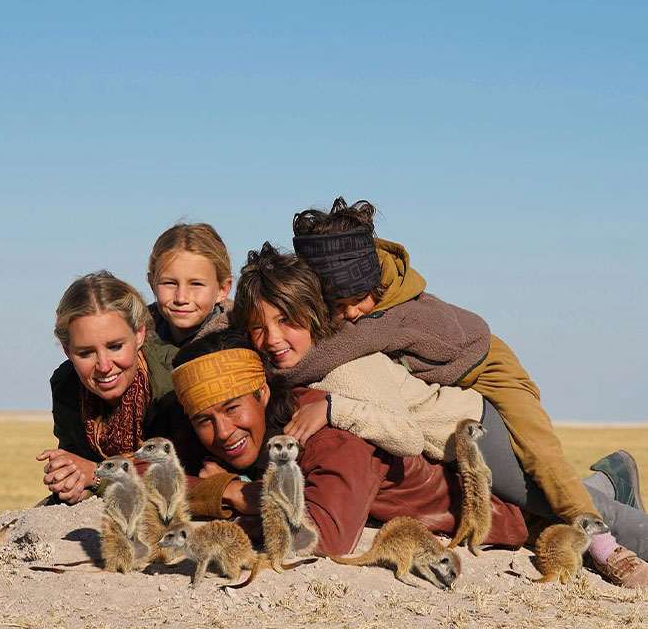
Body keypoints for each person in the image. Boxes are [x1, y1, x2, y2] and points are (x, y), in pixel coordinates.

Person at [231, 242, 648, 585]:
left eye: (286, 321)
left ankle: (613, 544)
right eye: (258, 328)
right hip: (448, 449)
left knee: (561, 503)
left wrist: (335, 410)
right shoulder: (299, 366)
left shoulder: (345, 370)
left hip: (475, 434)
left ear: (313, 315)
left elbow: (408, 436)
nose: (272, 339)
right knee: (537, 509)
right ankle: (613, 477)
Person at [169, 329, 528, 556]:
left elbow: (324, 536)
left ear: (262, 394)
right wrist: (228, 490)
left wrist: (243, 495)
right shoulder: (230, 432)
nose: (223, 432)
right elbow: (145, 471)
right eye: (204, 420)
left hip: (494, 520)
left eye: (233, 409)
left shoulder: (330, 437)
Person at [37, 270, 190, 504]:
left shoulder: (174, 376)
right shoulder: (66, 386)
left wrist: (97, 477)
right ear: (67, 351)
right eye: (85, 353)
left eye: (115, 346)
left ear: (139, 335)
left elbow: (182, 471)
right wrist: (71, 480)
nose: (104, 366)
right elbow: (77, 462)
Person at [146, 222, 232, 347]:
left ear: (222, 289)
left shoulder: (237, 348)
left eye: (196, 284)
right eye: (170, 283)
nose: (181, 298)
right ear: (152, 284)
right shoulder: (134, 341)